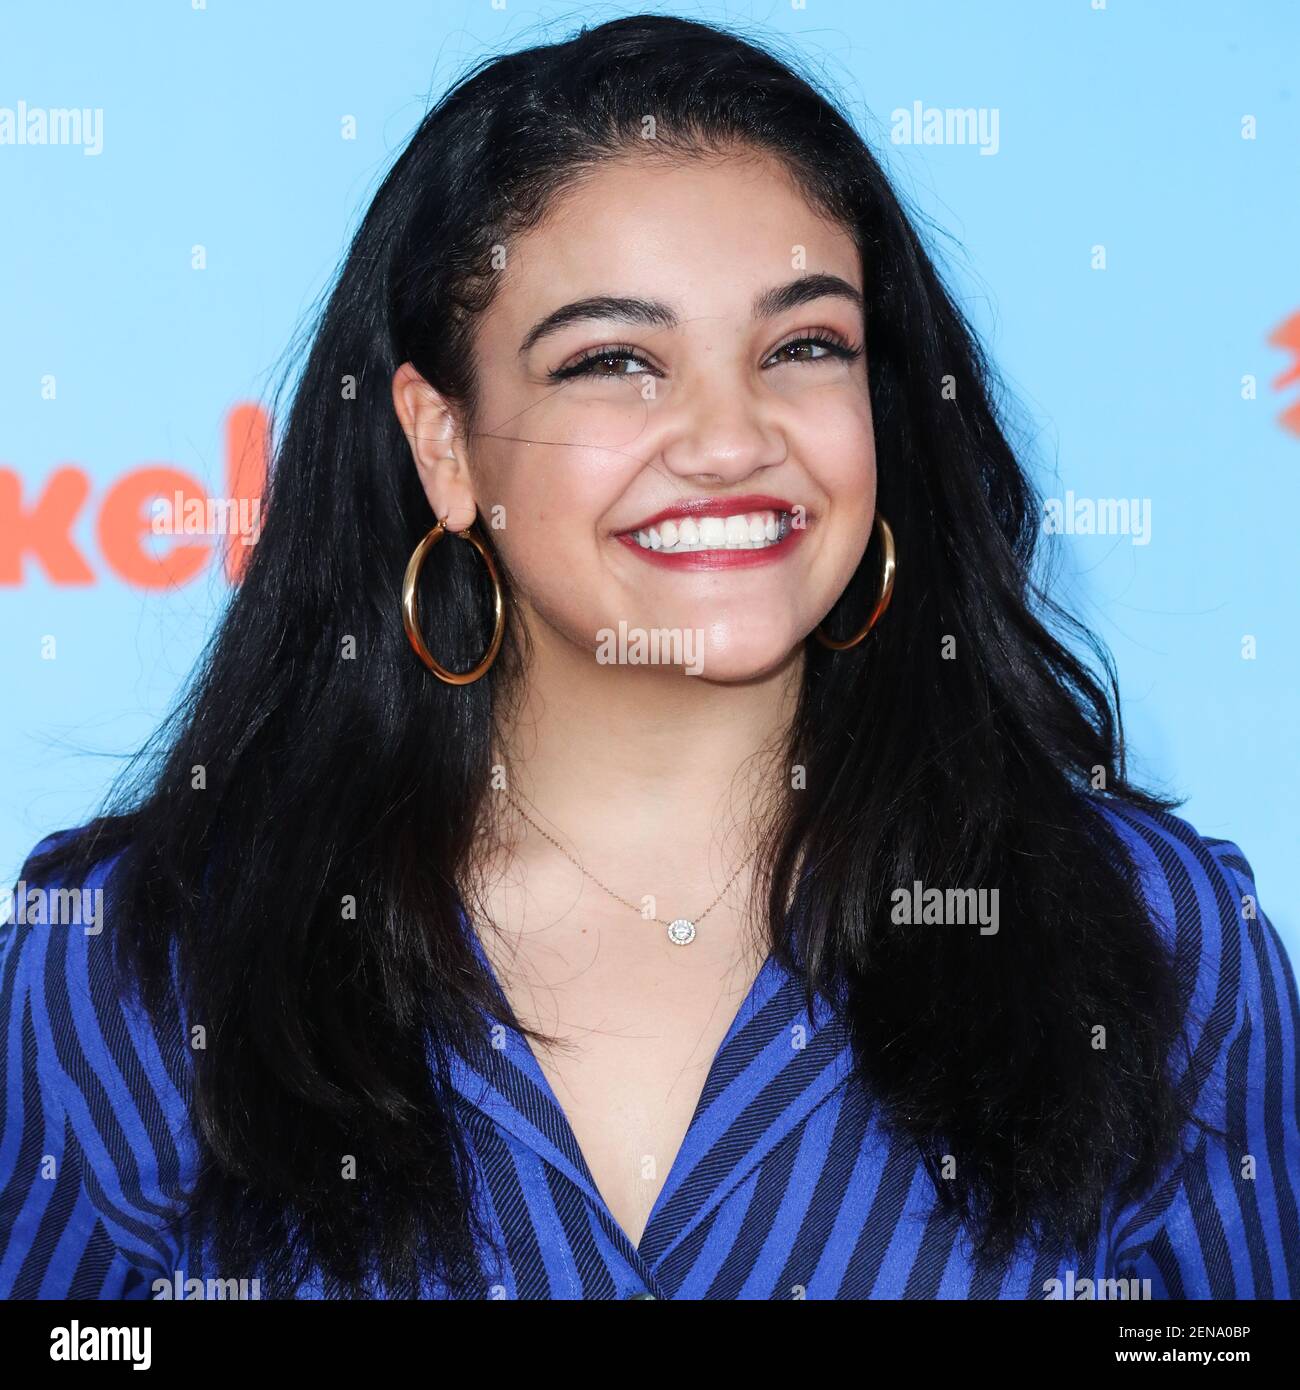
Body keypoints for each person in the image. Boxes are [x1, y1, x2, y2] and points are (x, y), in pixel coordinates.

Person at [2, 14, 1297, 1300]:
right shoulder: (127, 969)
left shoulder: (1162, 939)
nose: (731, 438)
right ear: (444, 443)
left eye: (803, 347)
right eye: (614, 361)